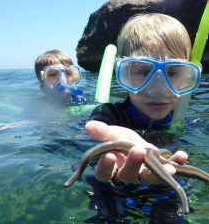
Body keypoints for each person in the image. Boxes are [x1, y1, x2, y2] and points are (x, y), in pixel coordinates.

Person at [87, 13, 202, 185]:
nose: (158, 90)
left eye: (172, 73)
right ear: (124, 75)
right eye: (143, 71)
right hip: (113, 182)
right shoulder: (108, 115)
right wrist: (114, 139)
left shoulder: (182, 123)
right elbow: (95, 128)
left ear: (187, 77)